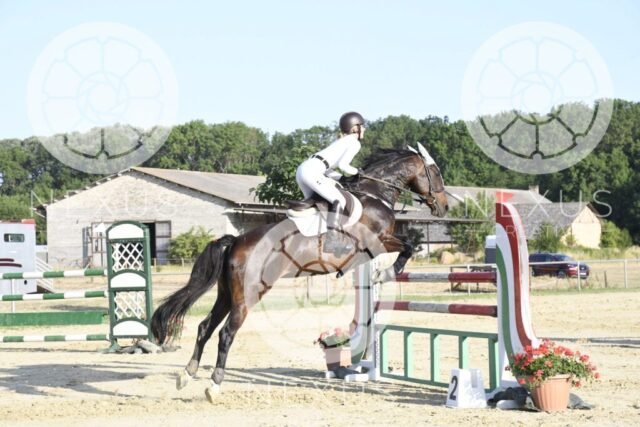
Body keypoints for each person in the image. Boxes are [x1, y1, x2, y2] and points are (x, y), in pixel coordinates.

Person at [295, 111, 365, 255]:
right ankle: (332, 241)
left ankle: (313, 238)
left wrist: (342, 178)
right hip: (312, 171)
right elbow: (344, 166)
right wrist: (357, 172)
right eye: (362, 126)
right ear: (355, 128)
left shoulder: (340, 141)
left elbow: (329, 170)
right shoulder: (354, 142)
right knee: (339, 200)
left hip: (304, 170)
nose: (364, 129)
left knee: (318, 205)